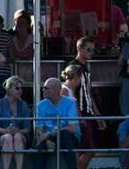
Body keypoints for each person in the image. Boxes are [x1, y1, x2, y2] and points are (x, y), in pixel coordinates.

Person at [69, 37, 103, 169]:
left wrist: (98, 116)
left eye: (93, 50)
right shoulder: (73, 67)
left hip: (87, 113)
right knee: (86, 150)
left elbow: (89, 94)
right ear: (80, 49)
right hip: (79, 114)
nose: (92, 52)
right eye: (89, 49)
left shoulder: (85, 69)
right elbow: (70, 93)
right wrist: (78, 115)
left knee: (87, 149)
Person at [34, 77, 80, 169]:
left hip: (68, 136)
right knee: (39, 148)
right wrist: (47, 140)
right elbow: (39, 129)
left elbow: (72, 128)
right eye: (43, 88)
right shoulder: (41, 105)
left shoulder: (70, 103)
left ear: (56, 90)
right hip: (49, 137)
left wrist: (50, 133)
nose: (43, 90)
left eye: (46, 88)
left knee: (65, 135)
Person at [0, 77, 31, 169]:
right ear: (9, 89)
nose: (20, 91)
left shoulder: (24, 105)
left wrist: (18, 131)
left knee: (17, 137)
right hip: (2, 135)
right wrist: (6, 130)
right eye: (17, 88)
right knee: (8, 137)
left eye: (21, 88)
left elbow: (27, 129)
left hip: (20, 136)